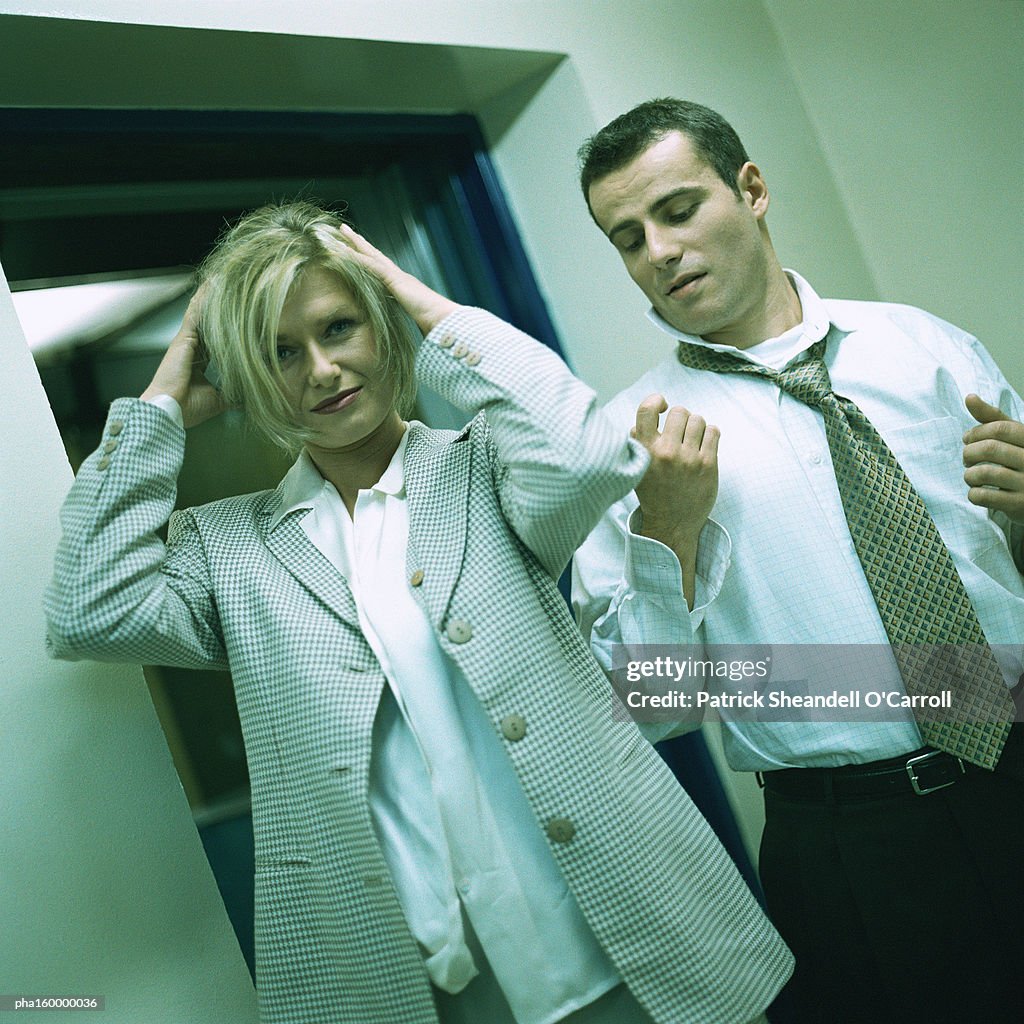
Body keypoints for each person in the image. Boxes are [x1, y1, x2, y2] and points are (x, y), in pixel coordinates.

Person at [45, 202, 791, 1024]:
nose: (321, 370)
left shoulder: (489, 473)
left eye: (340, 328)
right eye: (279, 352)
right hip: (426, 990)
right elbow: (90, 607)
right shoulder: (229, 550)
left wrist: (425, 307)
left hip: (635, 949)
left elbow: (587, 455)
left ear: (385, 326)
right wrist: (158, 411)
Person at [571, 99, 1024, 1024]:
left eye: (678, 209)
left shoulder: (925, 349)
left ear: (753, 189)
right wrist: (666, 533)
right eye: (627, 236)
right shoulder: (627, 447)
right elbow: (650, 710)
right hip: (851, 847)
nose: (657, 250)